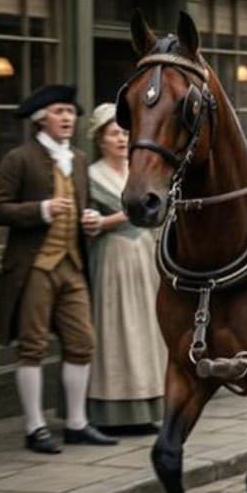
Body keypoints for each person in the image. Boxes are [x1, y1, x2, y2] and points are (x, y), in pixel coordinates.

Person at [0, 84, 115, 453]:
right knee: (33, 346)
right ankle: (35, 427)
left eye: (71, 113)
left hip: (73, 266)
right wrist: (41, 210)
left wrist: (89, 217)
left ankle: (76, 423)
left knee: (82, 343)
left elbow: (84, 203)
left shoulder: (77, 159)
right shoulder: (19, 158)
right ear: (41, 118)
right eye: (60, 112)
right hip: (34, 267)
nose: (67, 119)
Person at [83, 102, 166, 432]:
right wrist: (96, 221)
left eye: (124, 133)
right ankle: (112, 411)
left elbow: (158, 206)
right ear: (100, 139)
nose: (120, 139)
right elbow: (87, 220)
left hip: (144, 253)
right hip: (113, 259)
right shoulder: (91, 175)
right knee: (117, 328)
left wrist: (111, 219)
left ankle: (148, 406)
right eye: (113, 133)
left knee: (148, 326)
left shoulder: (140, 169)